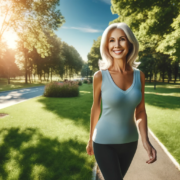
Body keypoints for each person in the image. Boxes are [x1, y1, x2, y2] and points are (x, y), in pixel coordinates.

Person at [86, 22, 157, 180]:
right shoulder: (100, 76)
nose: (116, 45)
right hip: (104, 143)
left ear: (130, 42)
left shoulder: (140, 76)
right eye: (111, 40)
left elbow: (140, 111)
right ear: (107, 45)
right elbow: (95, 108)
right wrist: (90, 139)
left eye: (122, 39)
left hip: (130, 143)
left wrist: (146, 141)